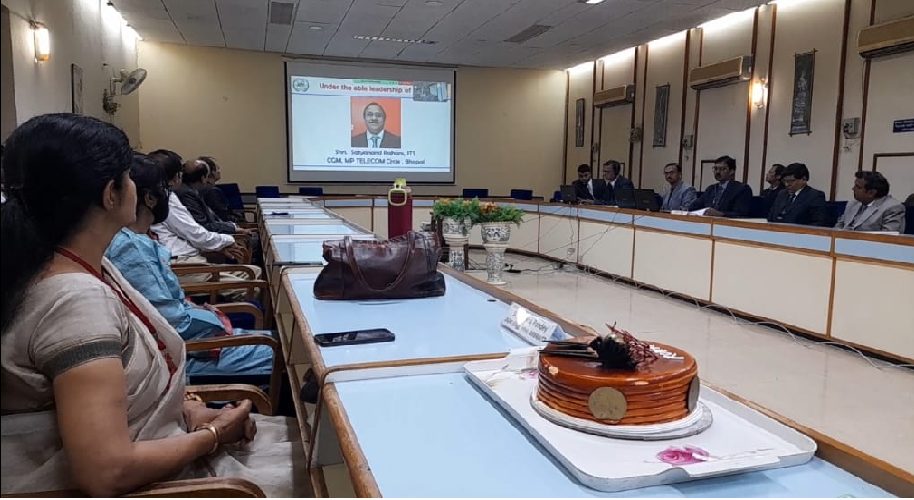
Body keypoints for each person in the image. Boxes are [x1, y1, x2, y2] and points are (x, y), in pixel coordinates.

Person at [0, 113, 301, 496]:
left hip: (168, 439)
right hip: (160, 480)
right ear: (110, 194)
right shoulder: (75, 301)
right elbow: (106, 472)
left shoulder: (72, 264)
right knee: (324, 462)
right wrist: (213, 434)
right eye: (128, 177)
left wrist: (191, 410)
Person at [105, 153, 273, 378]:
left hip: (191, 343)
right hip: (188, 356)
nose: (170, 195)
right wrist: (216, 319)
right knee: (290, 353)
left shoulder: (135, 240)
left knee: (282, 341)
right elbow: (177, 325)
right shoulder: (130, 248)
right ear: (150, 198)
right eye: (166, 189)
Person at [147, 149, 248, 266]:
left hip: (186, 257)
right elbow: (195, 233)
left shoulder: (166, 195)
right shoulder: (167, 198)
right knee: (252, 272)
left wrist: (219, 245)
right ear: (176, 177)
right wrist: (228, 240)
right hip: (182, 263)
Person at [175, 158, 248, 235]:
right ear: (203, 178)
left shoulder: (192, 191)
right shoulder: (188, 194)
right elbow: (203, 226)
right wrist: (233, 228)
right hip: (211, 236)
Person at [834, 171, 906, 232]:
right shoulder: (852, 204)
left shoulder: (892, 208)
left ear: (871, 193)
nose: (853, 189)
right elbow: (838, 228)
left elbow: (888, 238)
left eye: (858, 187)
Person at [199, 156, 245, 223]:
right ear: (211, 172)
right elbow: (223, 217)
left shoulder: (202, 188)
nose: (219, 171)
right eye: (217, 168)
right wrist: (239, 219)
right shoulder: (213, 192)